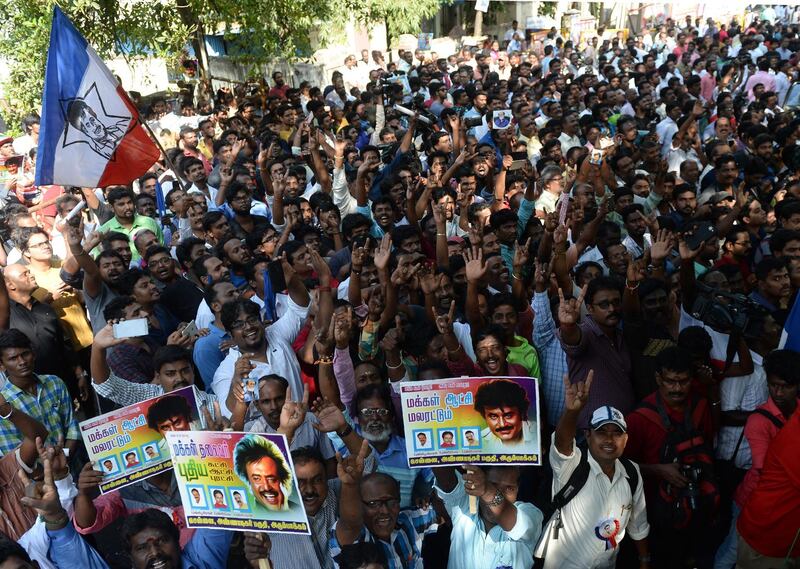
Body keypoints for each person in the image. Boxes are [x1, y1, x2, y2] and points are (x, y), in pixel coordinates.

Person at [536, 371, 650, 569]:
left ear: (626, 440)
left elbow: (638, 526)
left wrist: (644, 561)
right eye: (601, 432)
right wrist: (572, 411)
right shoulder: (573, 465)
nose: (609, 439)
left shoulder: (632, 473)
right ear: (587, 436)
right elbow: (562, 444)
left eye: (617, 433)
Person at [233, 434, 294, 512]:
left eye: (271, 479)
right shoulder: (247, 518)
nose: (266, 487)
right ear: (248, 482)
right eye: (257, 479)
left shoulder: (298, 510)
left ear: (282, 478)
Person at [473, 378, 537, 450]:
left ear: (521, 413)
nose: (502, 424)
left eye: (508, 416)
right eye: (493, 416)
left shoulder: (537, 433)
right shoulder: (478, 440)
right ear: (485, 417)